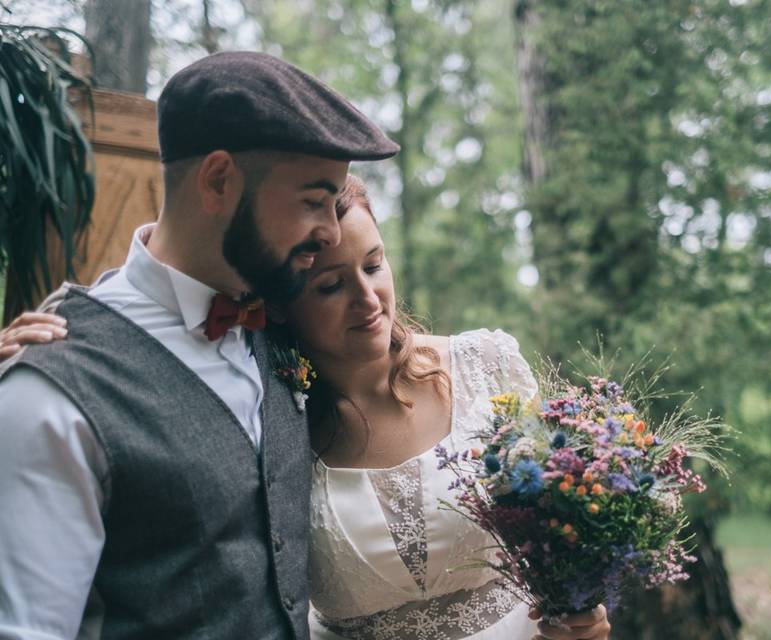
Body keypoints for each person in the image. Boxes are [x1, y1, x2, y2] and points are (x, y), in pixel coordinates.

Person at [0, 173, 613, 640]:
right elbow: (163, 313)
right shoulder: (269, 410)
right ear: (283, 304)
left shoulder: (488, 366)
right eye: (330, 285)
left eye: (374, 265)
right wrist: (65, 341)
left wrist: (581, 611)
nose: (368, 298)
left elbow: (562, 534)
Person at [0, 51, 399, 640]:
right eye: (314, 200)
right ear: (218, 181)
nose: (331, 232)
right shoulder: (50, 394)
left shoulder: (280, 315)